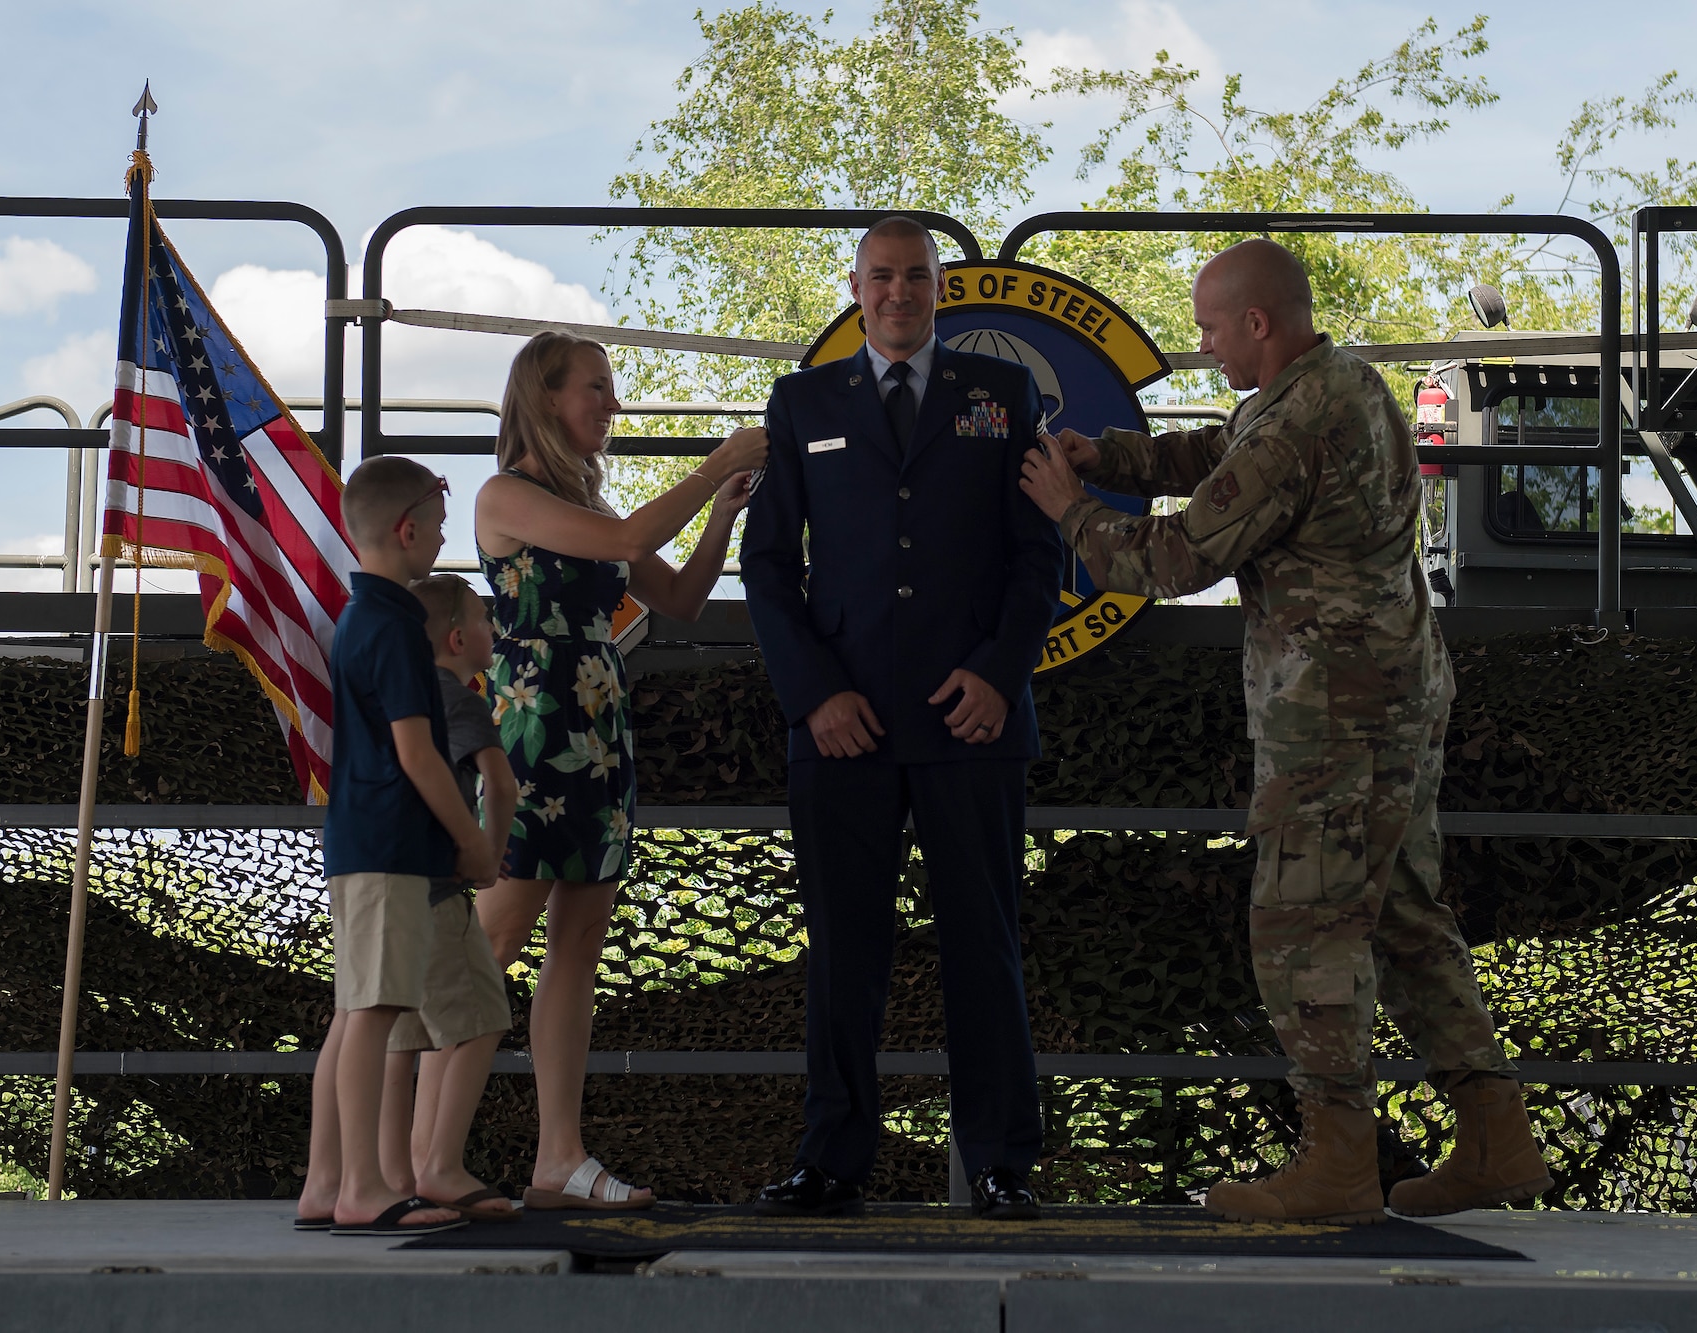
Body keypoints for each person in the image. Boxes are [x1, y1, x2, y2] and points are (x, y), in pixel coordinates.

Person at [1018, 239, 1552, 1224]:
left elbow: (1177, 556)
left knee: (1301, 925)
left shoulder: (1299, 420)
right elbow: (1224, 458)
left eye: (1212, 329)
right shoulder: (1337, 385)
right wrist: (1121, 457)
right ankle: (1493, 1136)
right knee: (1399, 915)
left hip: (1332, 714)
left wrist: (1072, 511)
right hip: (1395, 692)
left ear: (1256, 324)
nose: (1205, 345)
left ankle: (1339, 1163)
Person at [740, 216, 1066, 1219]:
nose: (896, 293)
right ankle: (831, 1161)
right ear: (854, 285)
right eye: (879, 277)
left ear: (939, 287)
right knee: (843, 950)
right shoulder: (802, 402)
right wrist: (813, 694)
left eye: (915, 277)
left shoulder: (1000, 393)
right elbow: (766, 564)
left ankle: (1003, 1161)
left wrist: (998, 675)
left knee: (985, 942)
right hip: (843, 728)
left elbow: (1035, 552)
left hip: (969, 720)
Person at [472, 331, 766, 1210]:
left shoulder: (591, 511)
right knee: (490, 942)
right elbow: (636, 534)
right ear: (542, 396)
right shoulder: (505, 494)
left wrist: (722, 514)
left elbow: (678, 599)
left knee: (578, 947)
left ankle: (558, 1158)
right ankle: (401, 1146)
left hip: (597, 730)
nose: (612, 404)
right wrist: (715, 465)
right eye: (595, 389)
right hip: (532, 732)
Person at [297, 455, 491, 1237]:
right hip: (388, 843)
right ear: (407, 530)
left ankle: (327, 1180)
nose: (443, 541)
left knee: (356, 1012)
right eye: (440, 528)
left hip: (362, 839)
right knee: (372, 1012)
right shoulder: (397, 627)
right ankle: (363, 1188)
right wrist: (471, 837)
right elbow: (419, 752)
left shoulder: (358, 619)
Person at [374, 575, 519, 1222]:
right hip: (437, 893)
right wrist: (487, 853)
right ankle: (441, 1164)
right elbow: (501, 780)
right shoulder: (457, 699)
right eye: (487, 620)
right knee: (484, 1019)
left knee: (405, 1035)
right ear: (458, 639)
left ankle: (397, 1172)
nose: (494, 631)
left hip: (387, 888)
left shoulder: (395, 696)